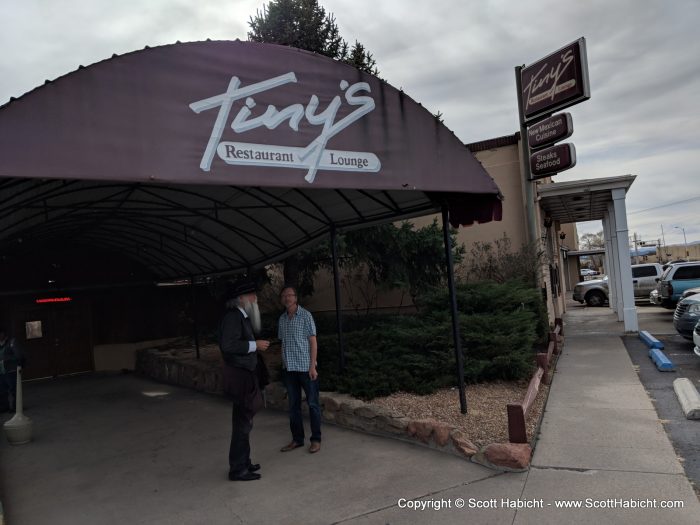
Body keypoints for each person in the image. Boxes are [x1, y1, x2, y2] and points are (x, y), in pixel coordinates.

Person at [219, 278, 270, 481]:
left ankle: (244, 462)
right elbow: (228, 345)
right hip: (240, 377)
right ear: (241, 299)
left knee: (245, 421)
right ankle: (238, 469)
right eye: (251, 295)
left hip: (245, 375)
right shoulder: (233, 317)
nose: (255, 298)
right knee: (242, 423)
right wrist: (254, 345)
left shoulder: (242, 316)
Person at [277, 285, 321, 454]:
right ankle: (297, 439)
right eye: (284, 296)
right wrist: (284, 364)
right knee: (293, 406)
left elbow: (313, 342)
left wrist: (312, 366)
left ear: (295, 298)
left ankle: (316, 440)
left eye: (289, 295)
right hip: (289, 370)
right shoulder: (282, 319)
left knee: (313, 405)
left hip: (305, 369)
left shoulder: (306, 316)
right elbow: (283, 343)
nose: (286, 298)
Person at [0, 325, 24, 413]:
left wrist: (7, 358)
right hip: (1, 371)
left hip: (11, 370)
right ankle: (4, 406)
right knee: (2, 391)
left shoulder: (12, 342)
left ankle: (16, 407)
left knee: (14, 390)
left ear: (3, 334)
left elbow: (19, 355)